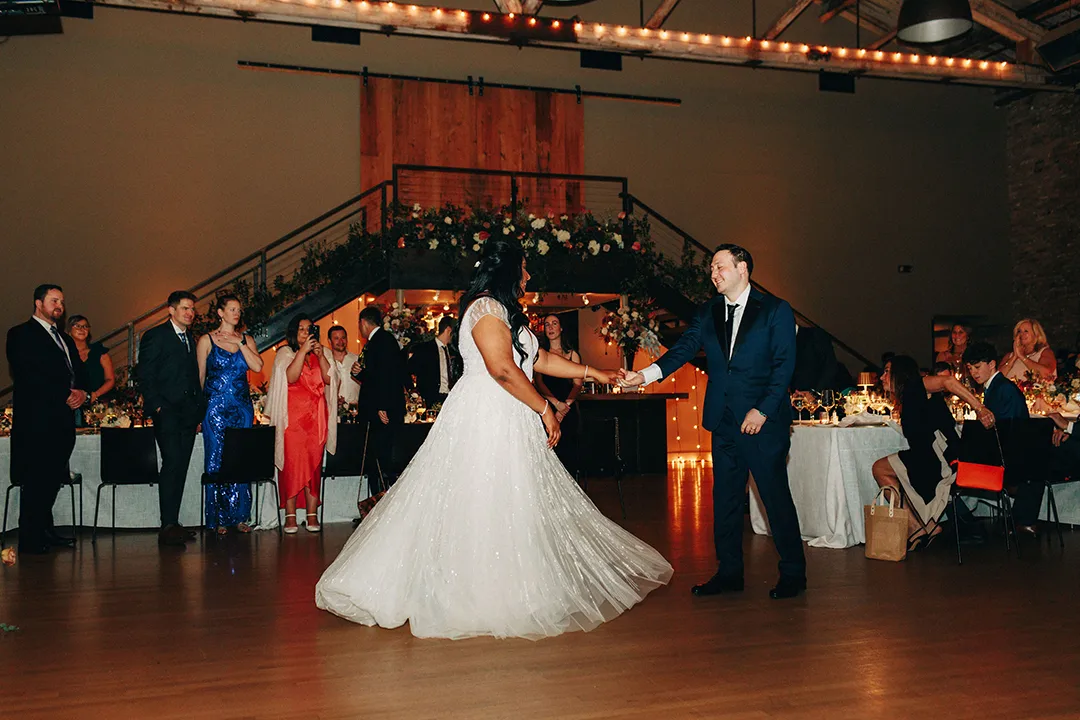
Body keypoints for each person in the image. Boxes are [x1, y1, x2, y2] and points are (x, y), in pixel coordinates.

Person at [316, 239, 671, 640]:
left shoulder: (506, 313)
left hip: (509, 414)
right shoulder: (485, 308)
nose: (529, 276)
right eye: (525, 268)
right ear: (509, 270)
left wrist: (597, 373)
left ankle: (514, 583)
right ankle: (469, 589)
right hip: (485, 415)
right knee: (479, 497)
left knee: (512, 498)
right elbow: (502, 369)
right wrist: (544, 408)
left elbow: (537, 360)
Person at [622, 243, 805, 600]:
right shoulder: (707, 312)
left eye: (720, 266)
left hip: (762, 422)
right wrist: (643, 376)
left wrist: (764, 410)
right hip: (722, 421)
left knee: (774, 498)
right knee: (726, 501)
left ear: (743, 269)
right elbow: (683, 350)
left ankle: (794, 574)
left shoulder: (775, 310)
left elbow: (785, 365)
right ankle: (730, 573)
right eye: (710, 269)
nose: (713, 274)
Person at [871, 355, 994, 551]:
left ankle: (918, 528)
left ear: (900, 373)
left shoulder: (918, 385)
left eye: (887, 371)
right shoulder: (908, 395)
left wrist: (979, 408)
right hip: (927, 456)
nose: (882, 377)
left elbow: (949, 381)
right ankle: (924, 527)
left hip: (941, 459)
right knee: (882, 469)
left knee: (880, 468)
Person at [6, 284, 86, 554]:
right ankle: (30, 538)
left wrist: (82, 393)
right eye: (54, 300)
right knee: (36, 479)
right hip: (37, 421)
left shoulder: (63, 337)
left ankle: (46, 530)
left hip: (62, 421)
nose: (59, 306)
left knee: (52, 478)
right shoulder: (20, 334)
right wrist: (64, 394)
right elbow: (29, 374)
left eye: (62, 301)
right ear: (38, 303)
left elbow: (76, 371)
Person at [137, 290, 203, 547]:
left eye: (192, 309)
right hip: (167, 413)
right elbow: (146, 374)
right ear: (171, 310)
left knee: (181, 467)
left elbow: (193, 376)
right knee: (172, 463)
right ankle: (166, 525)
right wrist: (157, 408)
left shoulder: (190, 339)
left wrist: (198, 410)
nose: (190, 313)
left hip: (187, 414)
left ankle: (173, 522)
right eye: (185, 308)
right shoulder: (156, 336)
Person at [195, 295, 263, 535]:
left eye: (239, 310)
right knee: (216, 458)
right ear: (220, 313)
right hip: (214, 407)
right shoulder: (206, 340)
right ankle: (216, 518)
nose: (236, 313)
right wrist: (197, 412)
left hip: (242, 408)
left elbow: (257, 367)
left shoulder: (247, 339)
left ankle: (240, 516)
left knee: (240, 458)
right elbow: (200, 378)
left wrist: (241, 343)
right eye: (232, 309)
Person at [267, 315, 337, 534]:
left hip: (316, 418)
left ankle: (311, 514)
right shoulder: (285, 353)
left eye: (310, 329)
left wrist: (321, 355)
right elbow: (290, 377)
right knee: (292, 466)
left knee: (314, 466)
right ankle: (290, 517)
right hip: (293, 420)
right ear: (293, 333)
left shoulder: (319, 353)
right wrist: (302, 351)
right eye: (301, 329)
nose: (307, 333)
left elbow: (330, 379)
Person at [965, 341, 1041, 535]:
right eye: (970, 368)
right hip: (1013, 454)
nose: (974, 372)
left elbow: (1005, 432)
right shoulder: (996, 386)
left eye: (977, 367)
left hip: (1011, 459)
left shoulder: (1002, 389)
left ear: (991, 364)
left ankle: (965, 524)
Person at [351, 306, 408, 494]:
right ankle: (375, 502)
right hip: (379, 406)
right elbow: (376, 375)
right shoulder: (381, 340)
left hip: (381, 408)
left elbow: (386, 376)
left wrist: (383, 406)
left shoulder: (380, 341)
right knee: (377, 459)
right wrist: (361, 373)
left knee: (381, 460)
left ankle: (379, 504)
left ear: (363, 323)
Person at [535, 313, 583, 478]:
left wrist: (564, 408)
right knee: (547, 455)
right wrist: (555, 405)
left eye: (554, 323)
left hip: (568, 410)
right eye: (547, 324)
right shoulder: (540, 353)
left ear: (561, 328)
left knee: (568, 456)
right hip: (547, 407)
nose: (550, 327)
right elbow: (539, 383)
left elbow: (578, 384)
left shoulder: (572, 355)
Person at [408, 316, 457, 407]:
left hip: (450, 397)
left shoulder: (452, 350)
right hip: (430, 398)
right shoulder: (425, 349)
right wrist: (413, 391)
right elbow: (408, 370)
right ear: (448, 330)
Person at [68, 315, 115, 407]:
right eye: (77, 326)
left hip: (99, 404)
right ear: (69, 331)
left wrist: (95, 394)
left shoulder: (100, 353)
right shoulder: (65, 355)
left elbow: (110, 379)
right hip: (73, 404)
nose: (82, 329)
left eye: (85, 326)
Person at [324, 325, 360, 405]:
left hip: (355, 411)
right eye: (336, 338)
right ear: (329, 341)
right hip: (332, 412)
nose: (341, 342)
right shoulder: (325, 362)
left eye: (343, 338)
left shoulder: (357, 360)